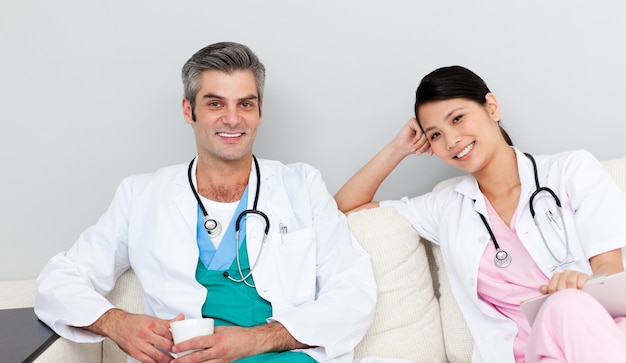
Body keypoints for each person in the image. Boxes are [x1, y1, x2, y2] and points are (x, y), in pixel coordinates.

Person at [35, 42, 377, 363]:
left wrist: (260, 338)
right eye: (215, 104)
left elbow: (353, 290)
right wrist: (115, 322)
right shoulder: (141, 196)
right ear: (189, 111)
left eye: (245, 103)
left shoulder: (302, 185)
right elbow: (60, 279)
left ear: (260, 112)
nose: (232, 118)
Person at [334, 65, 626, 363]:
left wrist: (577, 287)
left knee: (566, 305)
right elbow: (343, 208)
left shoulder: (570, 171)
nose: (451, 141)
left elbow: (609, 267)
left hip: (592, 335)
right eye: (435, 135)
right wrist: (397, 148)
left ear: (492, 107)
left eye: (457, 119)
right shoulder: (446, 207)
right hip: (523, 355)